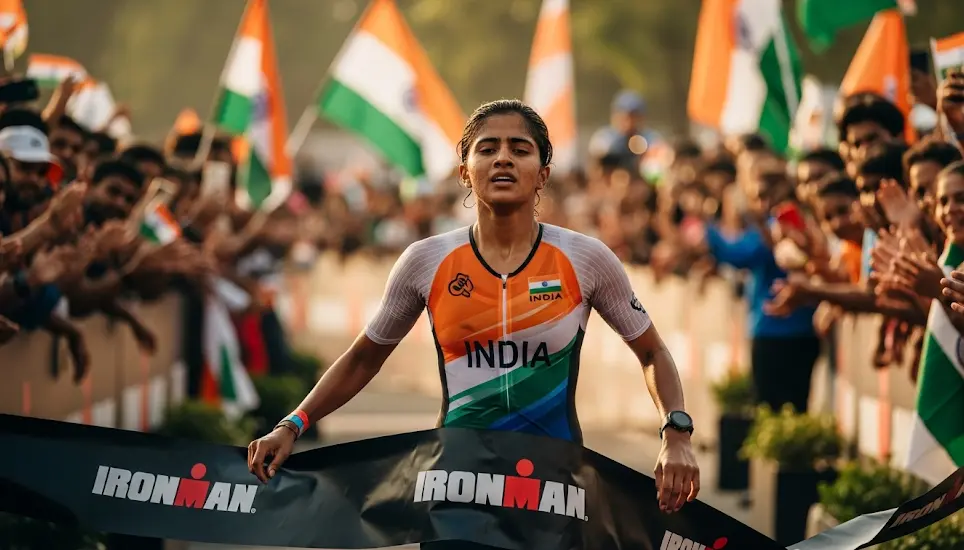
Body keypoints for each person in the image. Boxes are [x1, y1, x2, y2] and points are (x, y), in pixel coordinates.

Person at [246, 99, 700, 548]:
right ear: (464, 171)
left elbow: (652, 351)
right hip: (458, 487)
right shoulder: (426, 261)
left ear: (543, 174)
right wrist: (292, 424)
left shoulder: (586, 259)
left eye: (519, 149)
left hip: (552, 488)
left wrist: (676, 433)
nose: (503, 158)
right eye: (487, 148)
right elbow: (364, 357)